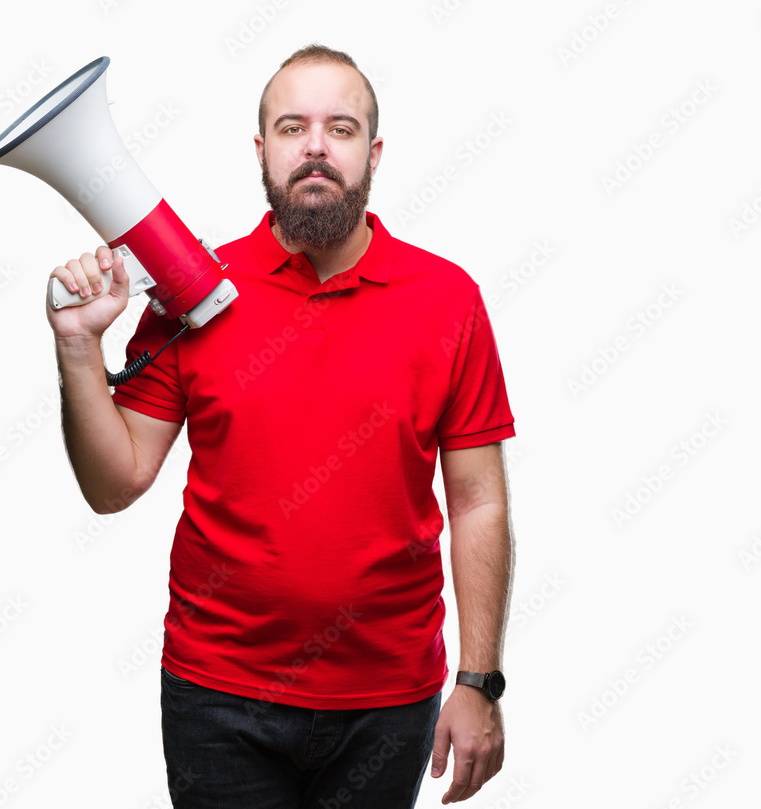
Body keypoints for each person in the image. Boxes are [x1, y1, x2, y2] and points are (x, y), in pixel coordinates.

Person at [46, 44, 516, 808]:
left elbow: (478, 503)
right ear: (262, 151)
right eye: (293, 128)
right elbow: (114, 483)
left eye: (342, 128)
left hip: (388, 700)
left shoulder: (448, 299)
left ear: (374, 152)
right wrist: (77, 349)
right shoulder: (190, 293)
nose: (317, 148)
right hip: (216, 696)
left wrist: (479, 680)